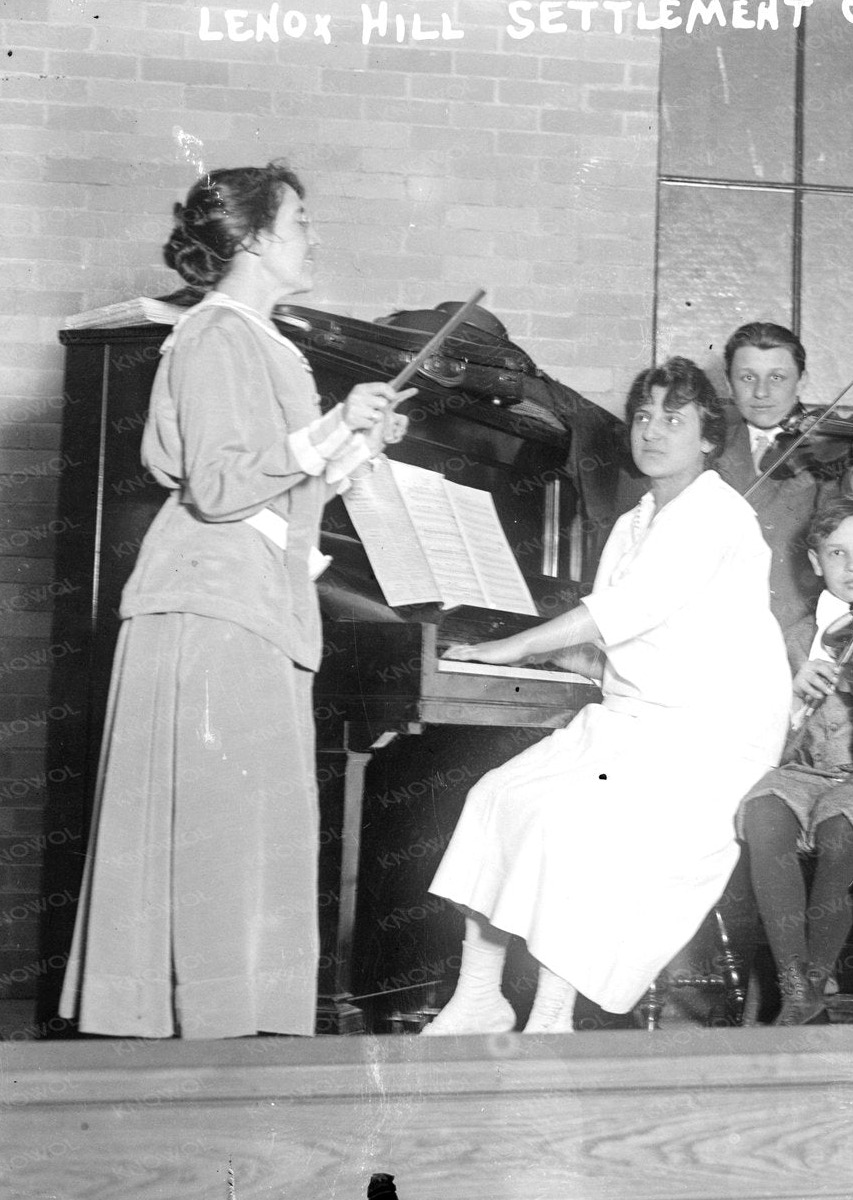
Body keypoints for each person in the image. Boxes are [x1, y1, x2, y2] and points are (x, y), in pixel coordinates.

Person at [58, 162, 412, 1038]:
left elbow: (272, 493)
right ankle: (196, 1041)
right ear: (253, 238)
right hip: (209, 609)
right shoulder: (217, 334)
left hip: (248, 604)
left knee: (240, 831)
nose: (312, 235)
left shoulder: (259, 338)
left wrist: (353, 445)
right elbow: (219, 486)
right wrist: (332, 428)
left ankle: (226, 1041)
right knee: (219, 832)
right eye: (299, 219)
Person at [421, 357, 788, 1033]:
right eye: (643, 415)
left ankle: (552, 1016)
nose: (652, 431)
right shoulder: (635, 520)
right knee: (496, 795)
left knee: (573, 826)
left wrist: (514, 647)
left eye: (672, 419)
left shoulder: (717, 516)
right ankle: (480, 997)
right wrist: (546, 655)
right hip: (633, 723)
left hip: (709, 737)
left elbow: (621, 611)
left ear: (708, 438)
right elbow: (613, 637)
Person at [739, 496, 853, 1025]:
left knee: (839, 831)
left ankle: (811, 985)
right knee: (764, 815)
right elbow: (772, 735)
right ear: (816, 564)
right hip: (801, 771)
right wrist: (791, 695)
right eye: (836, 553)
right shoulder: (795, 638)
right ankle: (795, 984)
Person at [714, 322, 853, 632]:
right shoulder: (708, 448)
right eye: (747, 378)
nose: (761, 392)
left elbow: (845, 526)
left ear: (802, 381)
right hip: (721, 628)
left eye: (777, 377)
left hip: (804, 631)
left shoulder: (827, 449)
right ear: (729, 383)